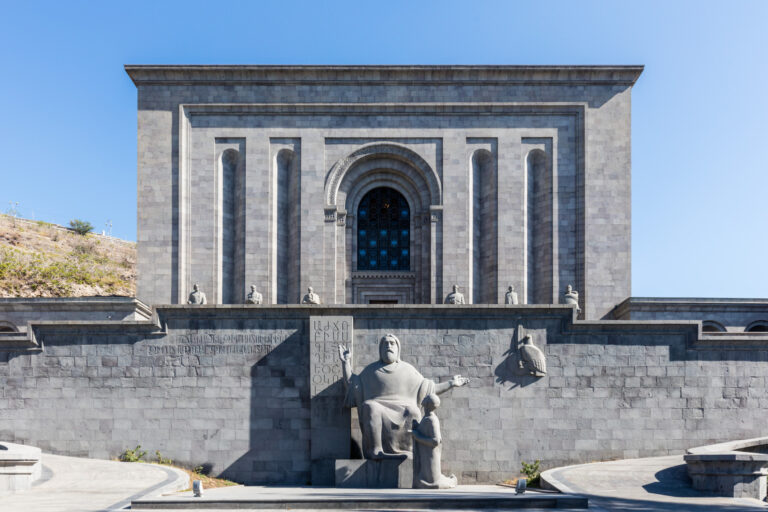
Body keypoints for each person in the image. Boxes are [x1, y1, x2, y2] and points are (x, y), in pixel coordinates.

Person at [338, 334, 469, 459]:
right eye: (385, 344)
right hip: (378, 408)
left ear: (397, 348)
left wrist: (451, 383)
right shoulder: (371, 370)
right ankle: (376, 451)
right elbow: (353, 385)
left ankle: (409, 452)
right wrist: (346, 363)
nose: (389, 346)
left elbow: (429, 388)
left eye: (392, 343)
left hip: (403, 409)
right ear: (380, 349)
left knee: (414, 411)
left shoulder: (407, 369)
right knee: (369, 406)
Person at [411, 394, 458, 489]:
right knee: (424, 480)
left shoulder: (432, 420)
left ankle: (452, 481)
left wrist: (417, 436)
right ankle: (448, 480)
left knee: (433, 482)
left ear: (427, 404)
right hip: (424, 456)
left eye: (426, 398)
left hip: (430, 457)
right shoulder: (426, 418)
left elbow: (436, 441)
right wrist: (417, 426)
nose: (423, 398)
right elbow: (425, 431)